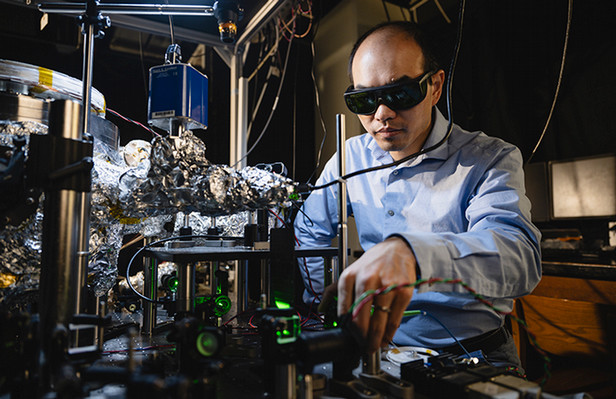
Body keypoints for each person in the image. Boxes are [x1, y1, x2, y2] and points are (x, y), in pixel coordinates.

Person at [294, 20, 541, 369]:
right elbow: (309, 229)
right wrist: (334, 302)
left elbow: (519, 260)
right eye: (364, 99)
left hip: (471, 356)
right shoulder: (351, 156)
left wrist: (414, 257)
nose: (382, 114)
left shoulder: (488, 159)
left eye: (400, 94)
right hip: (377, 353)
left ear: (435, 86)